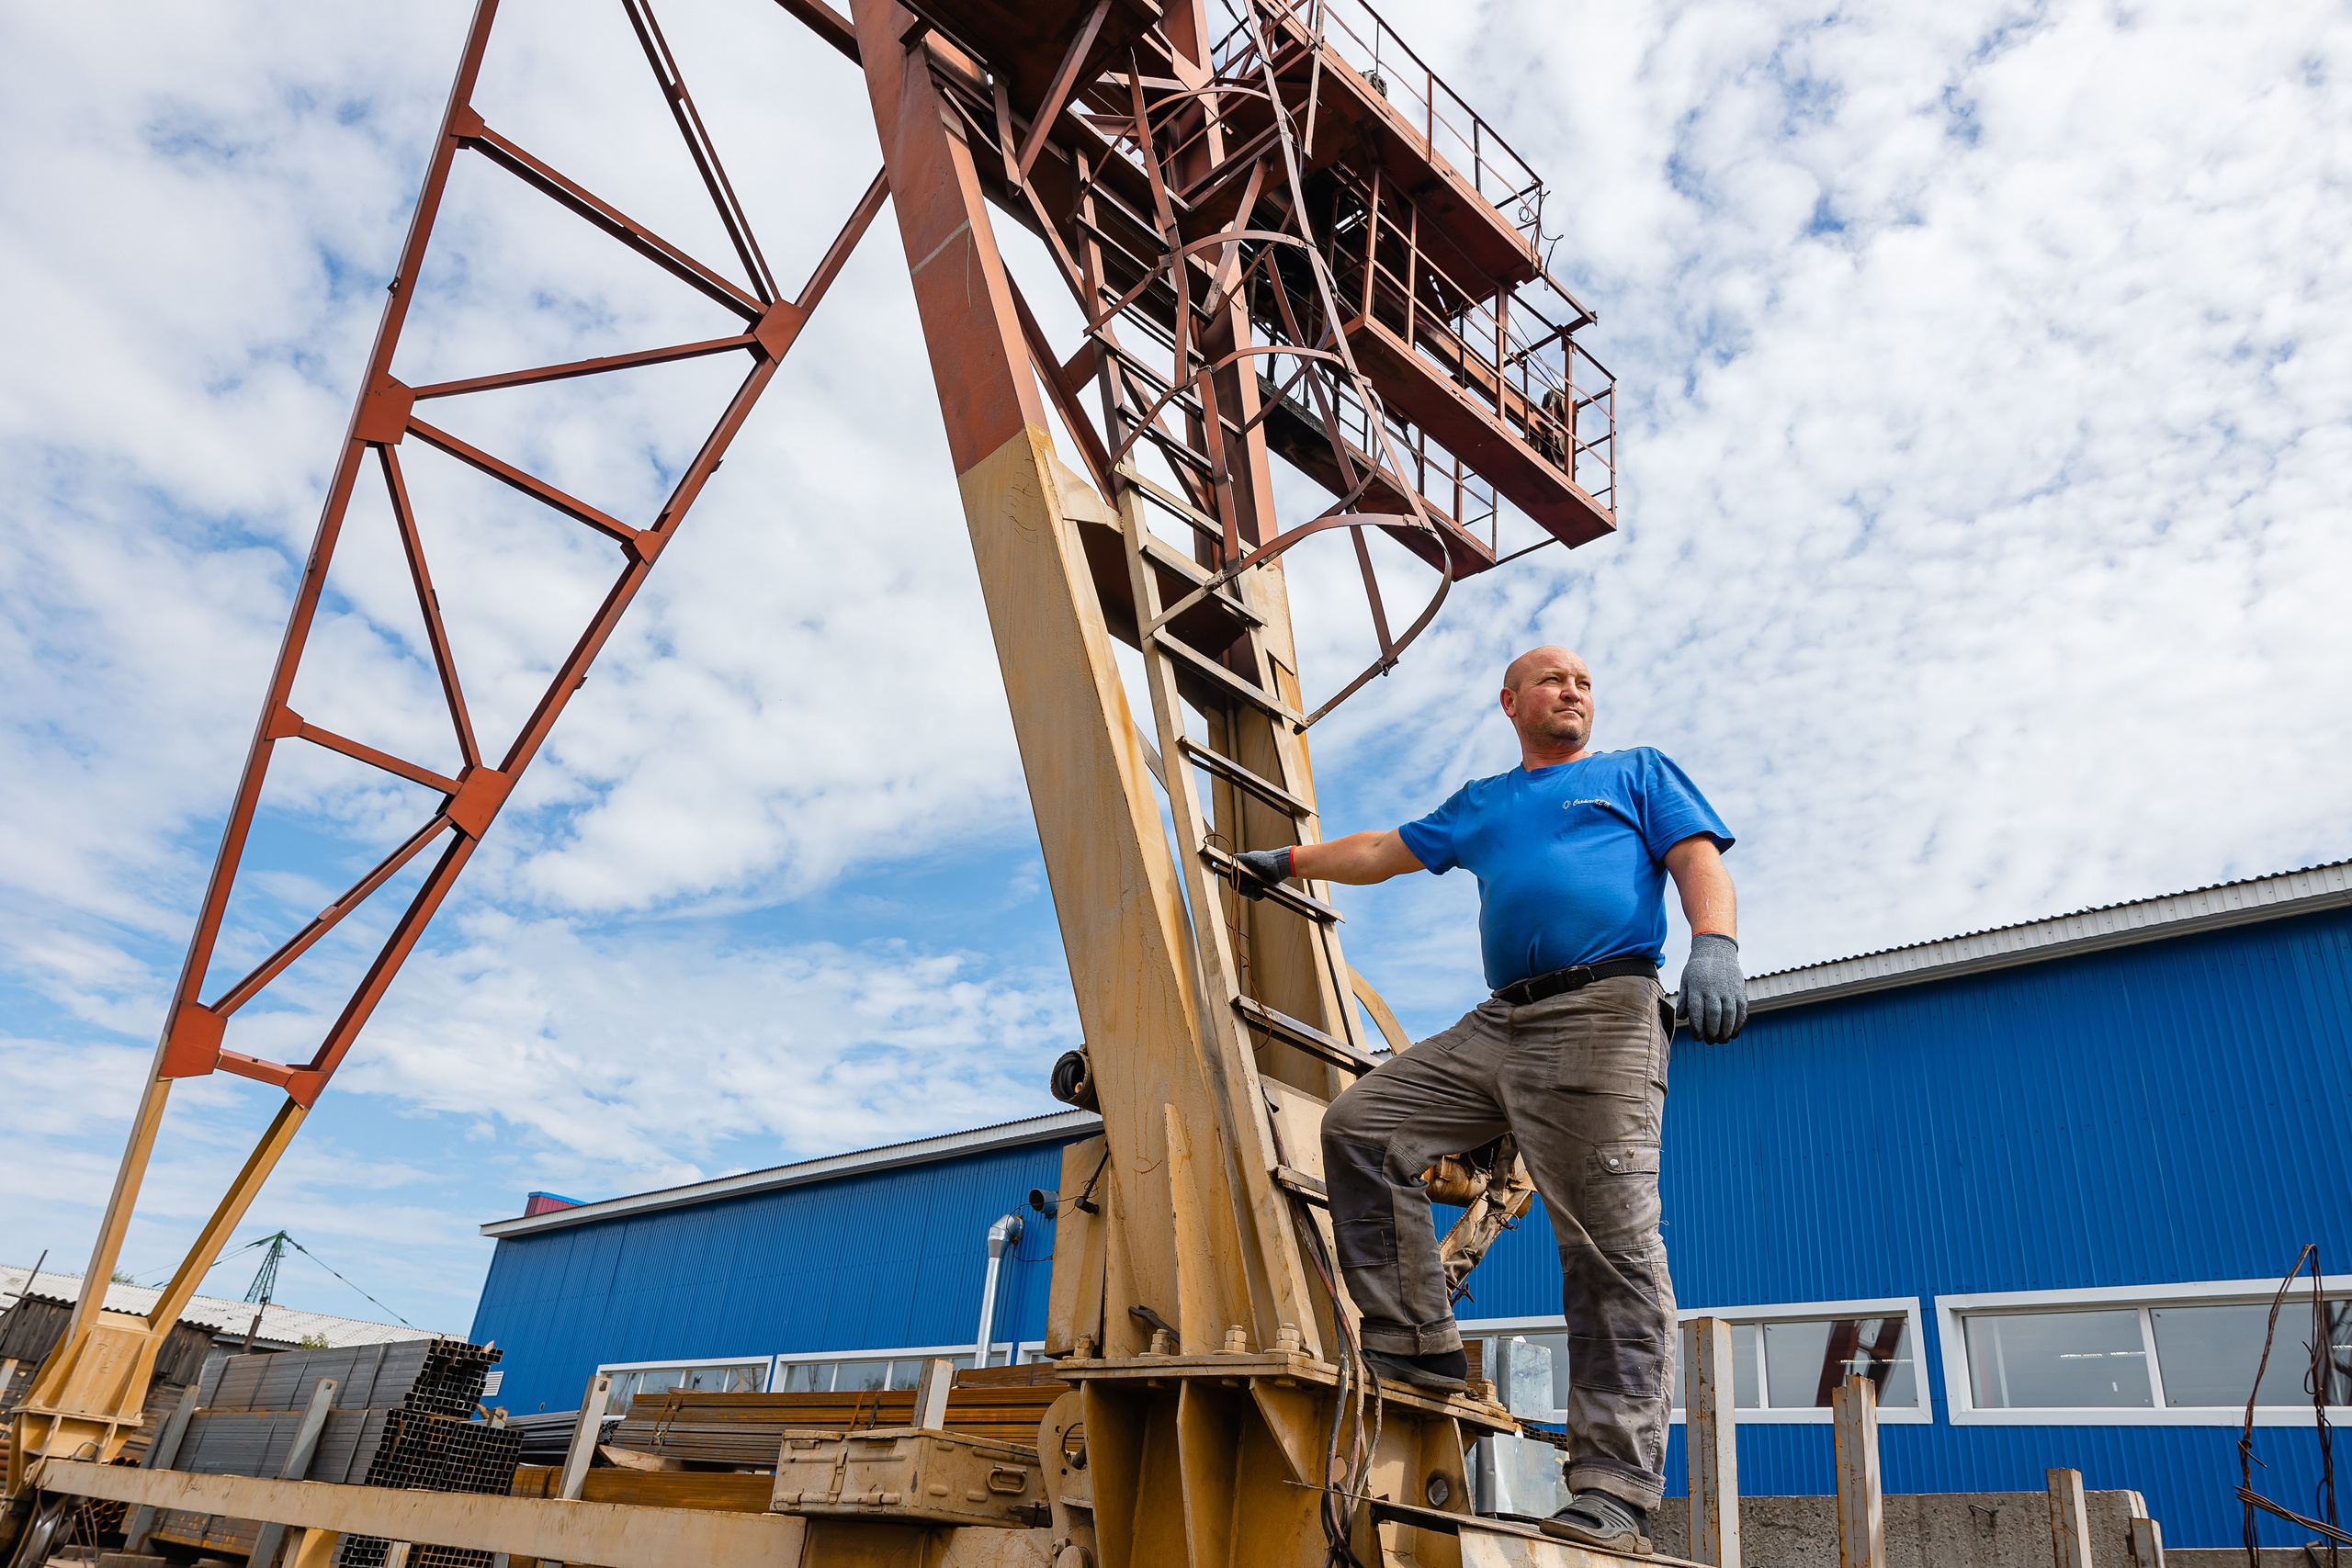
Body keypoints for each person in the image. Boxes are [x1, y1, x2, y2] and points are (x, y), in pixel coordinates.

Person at [1232, 646, 1746, 1555]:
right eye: (1553, 679)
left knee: (1609, 1248)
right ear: (1510, 701)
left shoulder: (1635, 773)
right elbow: (1382, 850)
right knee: (1361, 1126)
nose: (1573, 689)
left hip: (1605, 1009)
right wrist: (1288, 860)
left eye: (1585, 681)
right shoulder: (1484, 802)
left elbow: (1695, 857)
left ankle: (1614, 1488)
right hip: (1502, 1019)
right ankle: (1415, 1339)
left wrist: (1714, 944)